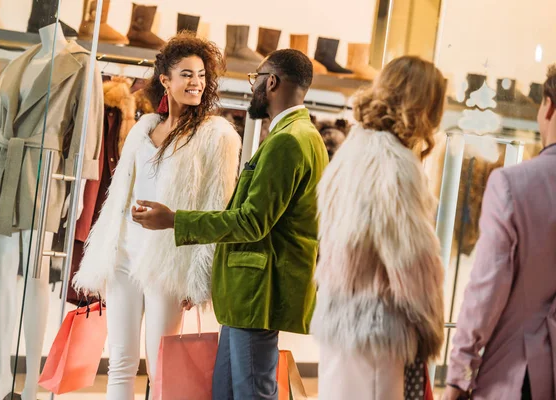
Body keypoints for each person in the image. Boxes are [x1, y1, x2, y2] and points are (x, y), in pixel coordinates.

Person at [131, 49, 329, 400]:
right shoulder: (301, 135)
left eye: (256, 80)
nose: (252, 87)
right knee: (226, 391)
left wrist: (174, 220)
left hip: (257, 292)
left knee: (252, 392)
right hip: (248, 294)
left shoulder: (288, 141)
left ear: (272, 82)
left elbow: (252, 222)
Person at [72, 33, 242, 400]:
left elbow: (216, 207)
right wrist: (104, 251)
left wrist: (199, 277)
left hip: (169, 262)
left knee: (161, 367)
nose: (196, 83)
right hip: (124, 255)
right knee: (119, 360)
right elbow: (119, 195)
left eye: (201, 75)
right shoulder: (144, 126)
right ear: (165, 79)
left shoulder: (217, 136)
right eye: (186, 74)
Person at [312, 56, 447, 400]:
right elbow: (410, 261)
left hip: (339, 319)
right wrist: (431, 325)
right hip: (377, 328)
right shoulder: (396, 164)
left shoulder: (353, 149)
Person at [443, 65, 556, 400]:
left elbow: (486, 288)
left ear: (548, 106)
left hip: (521, 371)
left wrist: (459, 375)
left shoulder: (513, 184)